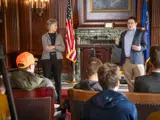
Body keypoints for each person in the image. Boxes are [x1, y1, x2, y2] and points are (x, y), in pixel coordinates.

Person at [115, 16, 148, 92]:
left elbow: (145, 45)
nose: (129, 25)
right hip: (126, 61)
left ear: (136, 24)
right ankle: (132, 97)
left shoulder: (141, 32)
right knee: (129, 82)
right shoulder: (123, 34)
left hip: (137, 61)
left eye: (131, 23)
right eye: (128, 23)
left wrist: (140, 48)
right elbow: (121, 46)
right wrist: (117, 44)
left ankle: (140, 98)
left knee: (140, 81)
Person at [41, 18, 65, 104]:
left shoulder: (59, 36)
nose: (57, 27)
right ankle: (47, 99)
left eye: (56, 25)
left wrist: (53, 47)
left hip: (57, 59)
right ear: (50, 26)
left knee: (58, 80)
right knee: (47, 79)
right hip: (46, 59)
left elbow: (63, 48)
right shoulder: (44, 37)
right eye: (55, 25)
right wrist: (56, 47)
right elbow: (46, 49)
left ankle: (59, 100)